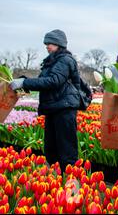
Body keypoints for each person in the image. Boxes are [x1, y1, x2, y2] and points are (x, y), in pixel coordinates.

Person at [10, 30, 82, 172]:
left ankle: (71, 187)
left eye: (50, 43)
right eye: (46, 43)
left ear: (59, 44)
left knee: (66, 152)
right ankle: (56, 185)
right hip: (54, 108)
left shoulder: (65, 60)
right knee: (51, 150)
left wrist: (25, 82)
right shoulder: (52, 61)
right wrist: (24, 84)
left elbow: (54, 81)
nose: (47, 46)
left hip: (64, 109)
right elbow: (45, 81)